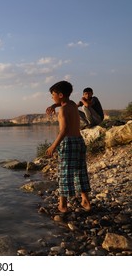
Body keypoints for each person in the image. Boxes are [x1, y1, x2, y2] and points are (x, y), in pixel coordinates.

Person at [45, 81, 91, 213]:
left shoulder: (64, 109)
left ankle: (63, 205)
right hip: (79, 141)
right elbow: (62, 102)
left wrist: (53, 146)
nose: (52, 97)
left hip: (68, 142)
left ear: (60, 95)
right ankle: (86, 201)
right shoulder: (71, 104)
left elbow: (64, 130)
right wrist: (54, 104)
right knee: (80, 171)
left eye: (53, 95)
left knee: (65, 173)